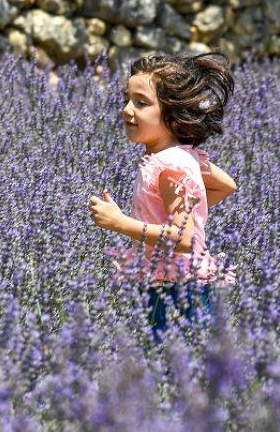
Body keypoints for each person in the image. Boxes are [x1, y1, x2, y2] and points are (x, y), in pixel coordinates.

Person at [88, 51, 239, 344]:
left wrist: (120, 222)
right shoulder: (179, 158)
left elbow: (185, 240)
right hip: (174, 284)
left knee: (168, 368)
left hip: (176, 291)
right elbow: (226, 186)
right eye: (127, 100)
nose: (128, 110)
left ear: (172, 116)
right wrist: (191, 164)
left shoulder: (169, 166)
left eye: (142, 103)